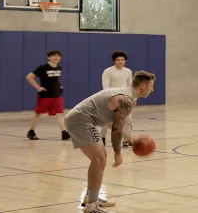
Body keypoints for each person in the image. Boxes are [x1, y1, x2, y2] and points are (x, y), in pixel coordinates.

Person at [64, 70, 156, 212]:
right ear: (143, 86)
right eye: (151, 86)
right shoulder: (125, 100)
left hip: (83, 119)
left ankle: (90, 198)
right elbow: (116, 129)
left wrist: (130, 137)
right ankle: (91, 206)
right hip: (80, 121)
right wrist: (118, 153)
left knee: (99, 159)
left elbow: (110, 123)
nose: (153, 89)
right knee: (99, 159)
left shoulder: (127, 96)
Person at [26, 49, 68, 141]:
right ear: (49, 57)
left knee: (60, 114)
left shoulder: (58, 68)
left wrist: (59, 86)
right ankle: (31, 131)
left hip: (57, 94)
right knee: (38, 113)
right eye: (54, 56)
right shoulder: (43, 68)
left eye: (58, 56)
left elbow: (54, 80)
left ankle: (64, 132)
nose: (56, 57)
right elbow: (29, 77)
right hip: (45, 95)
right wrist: (38, 88)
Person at [102, 51, 133, 147]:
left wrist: (132, 98)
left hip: (125, 99)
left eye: (122, 60)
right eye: (118, 60)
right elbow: (105, 86)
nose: (121, 61)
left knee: (128, 119)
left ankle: (127, 140)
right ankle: (102, 138)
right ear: (114, 61)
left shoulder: (128, 71)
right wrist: (111, 97)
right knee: (107, 120)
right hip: (112, 98)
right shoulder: (108, 71)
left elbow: (130, 85)